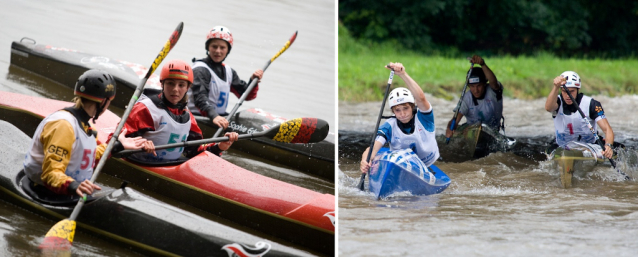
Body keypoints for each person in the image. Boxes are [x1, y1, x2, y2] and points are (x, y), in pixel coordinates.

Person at [23, 69, 148, 197]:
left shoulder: (87, 127)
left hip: (71, 189)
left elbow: (85, 157)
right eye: (109, 101)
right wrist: (73, 185)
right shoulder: (64, 126)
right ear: (103, 101)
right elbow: (50, 173)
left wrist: (117, 145)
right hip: (47, 190)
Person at [120, 59, 239, 162]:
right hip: (140, 161)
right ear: (162, 84)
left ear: (188, 88)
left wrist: (220, 146)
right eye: (170, 84)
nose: (175, 90)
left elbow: (195, 150)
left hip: (168, 166)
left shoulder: (187, 116)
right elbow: (116, 139)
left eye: (181, 85)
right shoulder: (145, 108)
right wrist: (140, 143)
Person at [360, 62, 440, 174]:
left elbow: (421, 98)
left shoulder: (424, 118)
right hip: (402, 165)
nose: (402, 114)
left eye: (405, 108)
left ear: (412, 106)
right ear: (393, 111)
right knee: (376, 158)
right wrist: (365, 160)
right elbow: (372, 149)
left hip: (427, 163)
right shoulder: (389, 126)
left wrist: (403, 74)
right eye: (397, 110)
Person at [187, 25, 264, 130]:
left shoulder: (229, 71)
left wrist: (253, 81)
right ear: (208, 48)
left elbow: (245, 96)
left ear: (228, 50)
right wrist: (214, 116)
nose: (218, 51)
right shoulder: (200, 70)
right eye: (214, 46)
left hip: (217, 118)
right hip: (199, 118)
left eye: (222, 47)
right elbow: (200, 98)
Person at [544, 71, 615, 159]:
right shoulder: (556, 101)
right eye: (564, 91)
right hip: (562, 145)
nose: (568, 95)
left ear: (578, 89)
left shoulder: (591, 104)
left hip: (589, 145)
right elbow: (548, 108)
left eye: (572, 91)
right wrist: (556, 87)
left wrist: (608, 146)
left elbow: (607, 129)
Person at [445, 55, 504, 138]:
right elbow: (455, 120)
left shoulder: (493, 91)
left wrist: (482, 64)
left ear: (484, 83)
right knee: (461, 130)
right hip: (471, 130)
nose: (476, 90)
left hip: (492, 131)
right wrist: (449, 129)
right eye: (472, 86)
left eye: (479, 86)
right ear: (469, 85)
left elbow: (493, 82)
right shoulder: (466, 99)